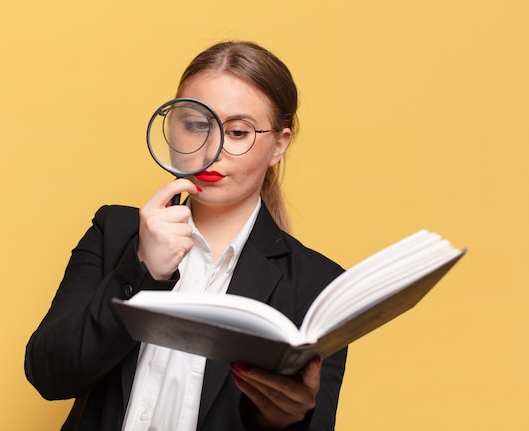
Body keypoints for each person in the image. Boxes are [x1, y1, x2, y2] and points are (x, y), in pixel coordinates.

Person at [25, 41, 348, 431]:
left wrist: (281, 419)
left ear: (279, 145)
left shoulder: (317, 284)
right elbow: (48, 374)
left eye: (239, 131)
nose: (212, 149)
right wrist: (140, 269)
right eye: (196, 124)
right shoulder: (114, 232)